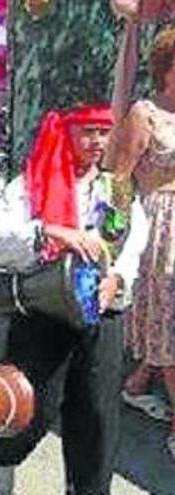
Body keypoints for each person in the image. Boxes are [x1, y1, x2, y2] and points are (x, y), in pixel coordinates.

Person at [0, 105, 150, 495]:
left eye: (104, 133)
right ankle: (0, 455)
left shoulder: (117, 189)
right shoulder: (32, 183)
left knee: (97, 415)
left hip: (101, 315)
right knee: (34, 407)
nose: (96, 142)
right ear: (67, 133)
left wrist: (118, 279)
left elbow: (133, 243)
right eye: (87, 132)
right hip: (44, 310)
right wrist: (52, 232)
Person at [110, 27, 175, 458]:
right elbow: (119, 178)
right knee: (168, 323)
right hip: (162, 229)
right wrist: (113, 239)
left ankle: (137, 383)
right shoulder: (145, 113)